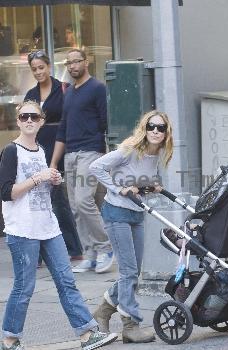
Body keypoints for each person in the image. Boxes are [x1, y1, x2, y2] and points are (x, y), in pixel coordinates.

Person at [0, 100, 118, 350]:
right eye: (24, 117)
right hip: (23, 230)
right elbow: (7, 192)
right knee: (24, 287)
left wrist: (52, 179)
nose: (29, 121)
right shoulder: (12, 151)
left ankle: (87, 334)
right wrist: (38, 177)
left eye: (34, 117)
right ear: (18, 120)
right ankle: (9, 340)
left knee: (66, 281)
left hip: (48, 227)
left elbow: (40, 191)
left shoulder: (41, 150)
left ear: (42, 121)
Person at [89, 110, 173, 343]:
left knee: (132, 272)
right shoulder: (129, 150)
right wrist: (119, 188)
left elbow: (138, 179)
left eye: (161, 128)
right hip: (116, 212)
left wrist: (152, 185)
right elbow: (96, 167)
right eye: (151, 126)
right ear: (144, 129)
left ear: (167, 133)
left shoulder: (157, 155)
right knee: (128, 272)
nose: (155, 131)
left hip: (136, 213)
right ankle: (130, 325)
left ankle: (102, 313)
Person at [50, 48, 113, 274]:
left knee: (85, 201)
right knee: (76, 207)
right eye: (69, 63)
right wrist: (54, 162)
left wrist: (107, 154)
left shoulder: (97, 88)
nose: (72, 66)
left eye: (76, 62)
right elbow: (63, 129)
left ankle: (106, 248)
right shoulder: (69, 93)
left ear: (86, 62)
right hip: (70, 154)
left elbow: (107, 122)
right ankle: (90, 254)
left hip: (91, 152)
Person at [24, 50, 83, 262]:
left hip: (59, 146)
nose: (39, 72)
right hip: (36, 149)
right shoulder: (31, 94)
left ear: (49, 67)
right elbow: (26, 123)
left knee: (57, 199)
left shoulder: (64, 89)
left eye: (41, 67)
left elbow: (70, 121)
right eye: (34, 69)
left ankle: (73, 248)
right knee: (38, 199)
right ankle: (41, 251)